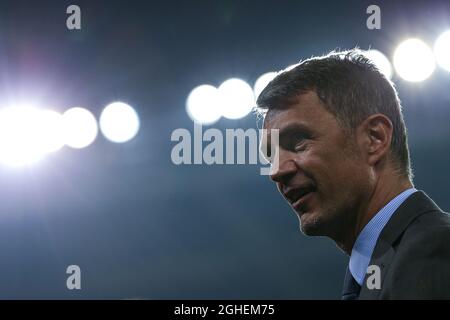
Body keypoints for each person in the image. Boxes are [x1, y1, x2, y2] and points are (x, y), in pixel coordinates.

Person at [256, 49, 450, 299]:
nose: (277, 171)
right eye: (270, 155)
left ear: (374, 139)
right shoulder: (388, 265)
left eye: (298, 142)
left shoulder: (433, 252)